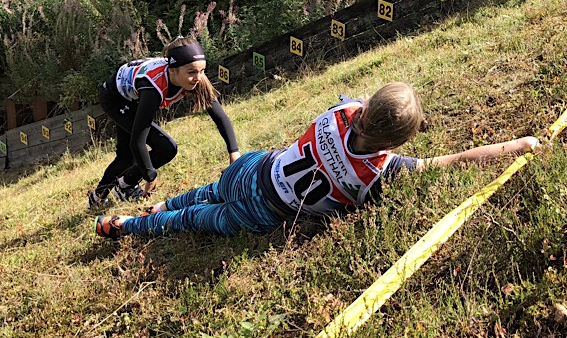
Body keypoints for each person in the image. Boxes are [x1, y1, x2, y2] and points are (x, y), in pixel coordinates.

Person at [94, 82, 540, 240]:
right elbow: (453, 160)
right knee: (196, 221)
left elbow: (365, 105)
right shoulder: (378, 173)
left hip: (253, 167)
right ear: (397, 140)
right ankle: (127, 227)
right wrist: (514, 147)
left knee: (214, 189)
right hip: (263, 214)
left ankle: (161, 203)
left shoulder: (341, 112)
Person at [88, 37, 241, 208]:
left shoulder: (195, 76)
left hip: (133, 93)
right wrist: (149, 175)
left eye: (202, 70)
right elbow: (137, 142)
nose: (198, 77)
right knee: (160, 149)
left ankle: (108, 192)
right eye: (191, 72)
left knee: (129, 157)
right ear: (173, 70)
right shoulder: (153, 87)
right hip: (115, 98)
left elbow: (219, 116)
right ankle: (115, 190)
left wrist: (234, 152)